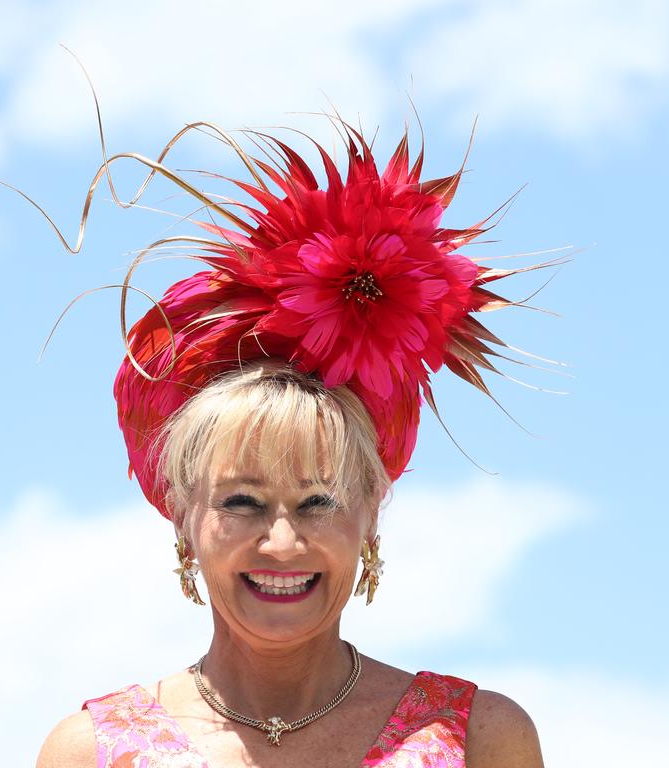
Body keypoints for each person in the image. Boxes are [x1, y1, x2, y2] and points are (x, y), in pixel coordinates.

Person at [31, 116, 549, 767]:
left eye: (317, 503)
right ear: (183, 516)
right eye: (242, 502)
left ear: (371, 513)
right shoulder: (88, 753)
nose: (281, 542)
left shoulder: (478, 740)